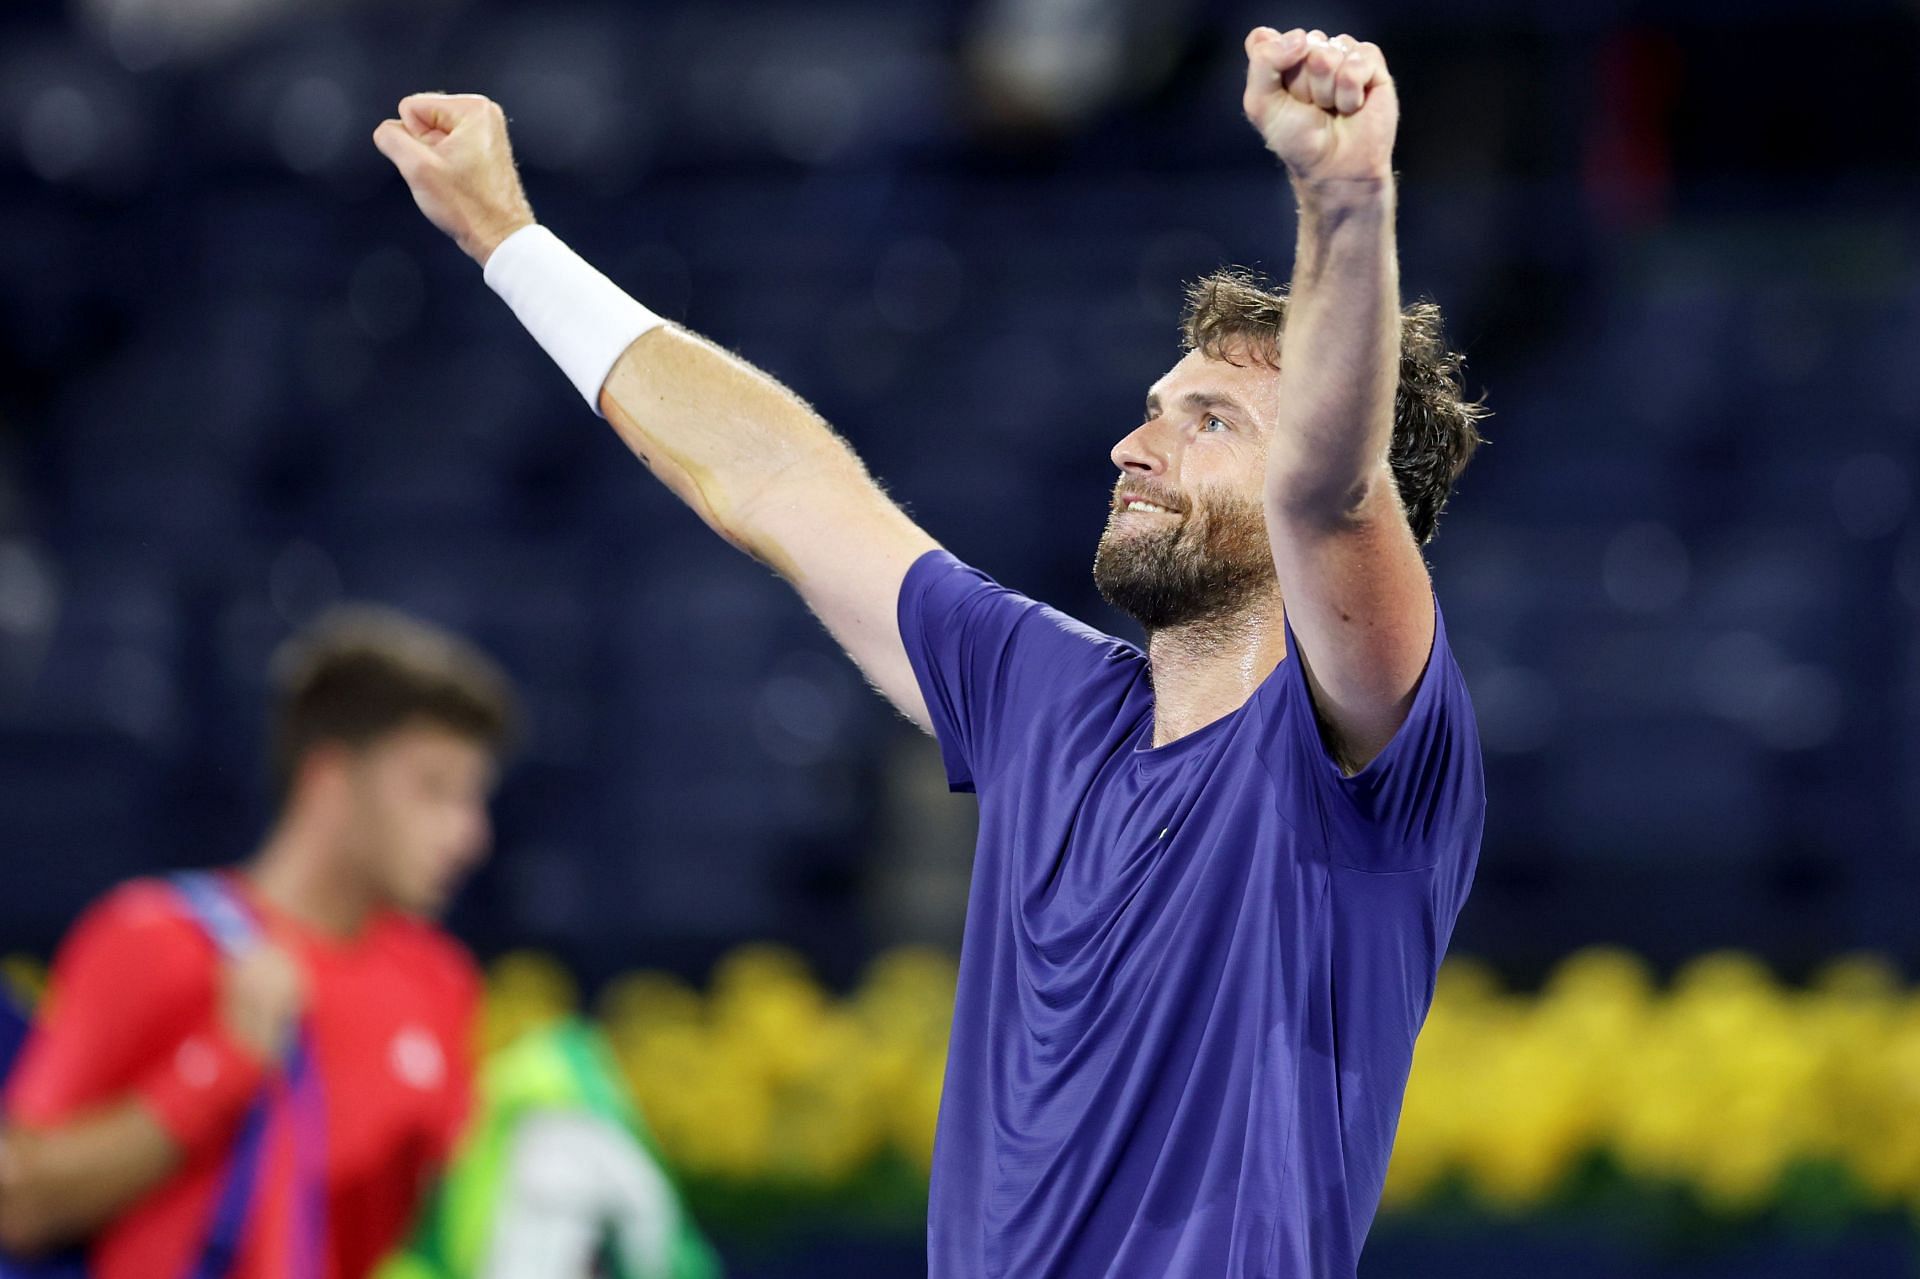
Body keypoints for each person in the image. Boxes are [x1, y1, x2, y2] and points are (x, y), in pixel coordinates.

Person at [373, 23, 1487, 1278]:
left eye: (1209, 420)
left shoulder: (1373, 757)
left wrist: (1341, 204)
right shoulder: (1042, 695)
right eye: (1151, 412)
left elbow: (1327, 492)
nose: (1135, 448)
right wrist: (507, 240)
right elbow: (779, 477)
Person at [0, 607, 514, 1279]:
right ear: (329, 781)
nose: (469, 835)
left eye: (474, 798)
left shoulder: (440, 980)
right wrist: (220, 1064)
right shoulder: (152, 937)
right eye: (434, 789)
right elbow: (17, 1203)